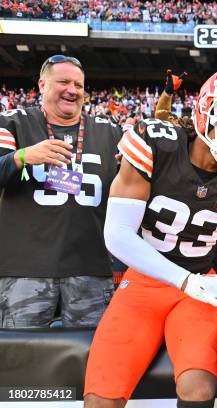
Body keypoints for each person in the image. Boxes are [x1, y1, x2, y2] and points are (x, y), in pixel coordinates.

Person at [84, 68, 217, 407]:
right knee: (101, 399)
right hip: (146, 281)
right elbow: (117, 234)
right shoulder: (156, 142)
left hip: (201, 289)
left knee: (199, 386)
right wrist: (185, 281)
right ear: (207, 109)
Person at [0, 55, 122, 328]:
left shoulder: (109, 133)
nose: (72, 90)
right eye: (63, 82)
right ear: (42, 85)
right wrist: (21, 156)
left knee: (87, 357)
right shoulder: (12, 124)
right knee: (21, 358)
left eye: (79, 85)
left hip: (91, 268)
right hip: (25, 269)